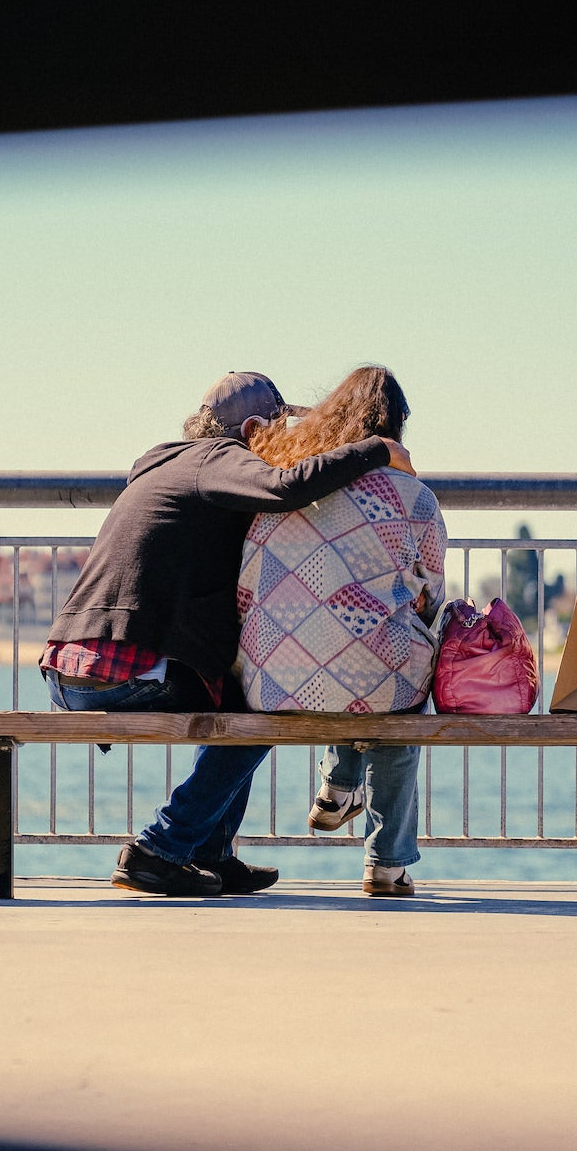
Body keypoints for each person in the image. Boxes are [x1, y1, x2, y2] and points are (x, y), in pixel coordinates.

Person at [41, 370, 409, 897]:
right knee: (254, 712)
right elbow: (287, 486)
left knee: (238, 699)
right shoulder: (218, 459)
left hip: (70, 665)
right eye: (278, 429)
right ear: (254, 427)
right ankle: (160, 849)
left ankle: (211, 851)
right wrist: (375, 450)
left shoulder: (167, 464)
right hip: (119, 665)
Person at [234, 366, 447, 896]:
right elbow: (431, 596)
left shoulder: (283, 481)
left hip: (269, 679)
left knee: (346, 641)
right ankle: (387, 865)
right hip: (372, 680)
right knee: (396, 678)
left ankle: (338, 787)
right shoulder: (412, 495)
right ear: (395, 426)